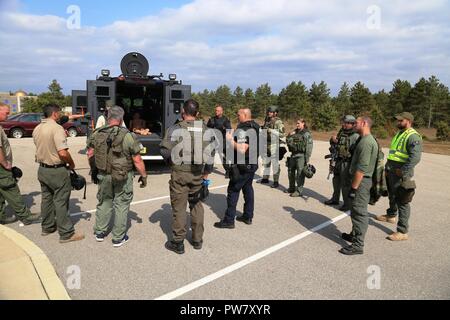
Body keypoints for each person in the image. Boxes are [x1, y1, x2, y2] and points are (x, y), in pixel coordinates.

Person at [87, 106, 147, 247]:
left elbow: (90, 153)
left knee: (104, 202)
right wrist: (143, 176)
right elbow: (137, 159)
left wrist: (94, 170)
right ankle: (118, 238)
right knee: (121, 204)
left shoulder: (97, 133)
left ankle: (100, 232)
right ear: (121, 119)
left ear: (108, 117)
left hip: (103, 174)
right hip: (123, 176)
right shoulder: (128, 136)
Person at [160, 99, 213, 254]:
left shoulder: (175, 129)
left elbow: (164, 150)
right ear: (197, 114)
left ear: (183, 112)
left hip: (180, 174)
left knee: (179, 207)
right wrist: (206, 174)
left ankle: (178, 242)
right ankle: (197, 239)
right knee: (196, 205)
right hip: (198, 174)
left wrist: (171, 161)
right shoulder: (206, 130)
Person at [33, 104, 84, 243]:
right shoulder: (57, 128)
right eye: (59, 112)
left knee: (46, 199)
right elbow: (62, 152)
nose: (60, 115)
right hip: (56, 170)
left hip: (42, 169)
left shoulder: (37, 128)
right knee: (61, 201)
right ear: (55, 114)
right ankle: (66, 234)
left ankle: (47, 227)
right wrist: (72, 164)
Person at [375, 112, 422, 241]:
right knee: (392, 195)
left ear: (408, 121)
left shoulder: (413, 136)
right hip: (392, 170)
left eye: (401, 121)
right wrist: (387, 168)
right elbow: (394, 154)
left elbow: (415, 157)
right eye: (398, 120)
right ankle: (391, 215)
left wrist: (403, 171)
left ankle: (402, 231)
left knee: (402, 201)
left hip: (401, 174)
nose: (398, 122)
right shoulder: (400, 133)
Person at [214, 108, 260, 228]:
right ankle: (248, 216)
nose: (237, 116)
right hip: (252, 164)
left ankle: (229, 220)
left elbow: (241, 148)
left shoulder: (244, 129)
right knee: (248, 188)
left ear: (245, 115)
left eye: (238, 114)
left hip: (242, 166)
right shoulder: (255, 126)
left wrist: (230, 140)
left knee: (233, 190)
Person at [339, 116, 378, 255]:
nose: (354, 124)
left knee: (359, 212)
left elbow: (361, 169)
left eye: (357, 122)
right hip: (359, 181)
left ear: (364, 123)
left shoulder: (367, 142)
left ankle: (358, 245)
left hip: (361, 182)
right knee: (355, 210)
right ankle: (354, 234)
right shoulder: (362, 139)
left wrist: (354, 188)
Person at [0, 103, 40, 225]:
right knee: (11, 189)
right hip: (1, 166)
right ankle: (25, 216)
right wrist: (5, 164)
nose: (8, 115)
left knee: (1, 191)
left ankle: (1, 216)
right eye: (6, 113)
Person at [324, 115, 360, 211]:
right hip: (337, 160)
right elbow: (336, 144)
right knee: (336, 180)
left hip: (347, 162)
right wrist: (333, 140)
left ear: (351, 124)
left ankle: (347, 204)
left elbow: (357, 152)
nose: (343, 124)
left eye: (345, 123)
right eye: (343, 122)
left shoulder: (356, 136)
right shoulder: (342, 132)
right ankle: (335, 199)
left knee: (345, 184)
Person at [285, 118, 313, 197]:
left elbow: (309, 146)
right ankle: (291, 188)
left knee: (300, 174)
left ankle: (299, 191)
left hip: (301, 156)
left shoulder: (306, 133)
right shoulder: (294, 132)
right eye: (296, 123)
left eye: (298, 123)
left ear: (303, 123)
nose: (297, 125)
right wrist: (289, 135)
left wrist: (307, 158)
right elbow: (288, 141)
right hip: (293, 154)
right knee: (290, 172)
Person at [259, 105, 285, 188]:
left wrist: (271, 131)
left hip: (274, 144)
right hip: (266, 143)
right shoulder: (267, 120)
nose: (268, 113)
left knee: (275, 164)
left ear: (275, 113)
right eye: (268, 112)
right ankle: (265, 178)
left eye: (270, 112)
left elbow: (282, 134)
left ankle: (276, 181)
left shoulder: (278, 122)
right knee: (266, 162)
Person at [206, 104, 232, 176]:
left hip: (222, 140)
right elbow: (207, 128)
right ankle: (209, 169)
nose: (216, 112)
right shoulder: (212, 119)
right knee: (210, 154)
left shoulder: (225, 119)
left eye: (218, 110)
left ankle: (228, 170)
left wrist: (225, 130)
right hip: (213, 139)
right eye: (215, 110)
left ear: (221, 111)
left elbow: (229, 129)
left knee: (222, 155)